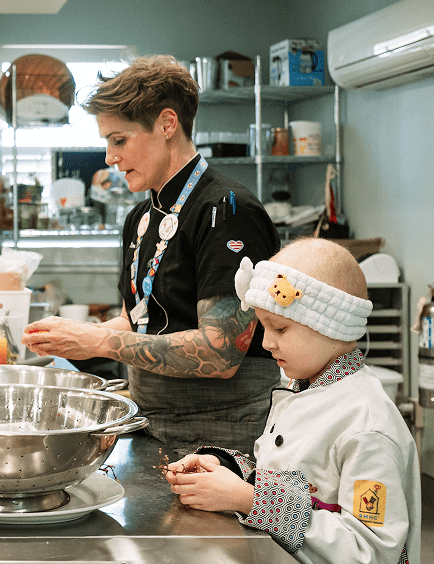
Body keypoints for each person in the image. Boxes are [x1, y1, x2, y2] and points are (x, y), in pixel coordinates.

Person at [21, 55, 281, 455]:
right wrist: (65, 342)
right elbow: (140, 317)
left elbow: (221, 352)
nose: (109, 158)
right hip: (152, 419)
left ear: (166, 124)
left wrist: (98, 341)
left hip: (227, 431)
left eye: (119, 140)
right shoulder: (141, 216)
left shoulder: (227, 210)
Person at [164, 238, 421, 564]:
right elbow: (292, 477)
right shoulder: (306, 386)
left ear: (330, 325)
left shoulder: (367, 426)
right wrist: (229, 471)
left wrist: (251, 500)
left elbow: (368, 557)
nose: (267, 343)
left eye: (280, 328)